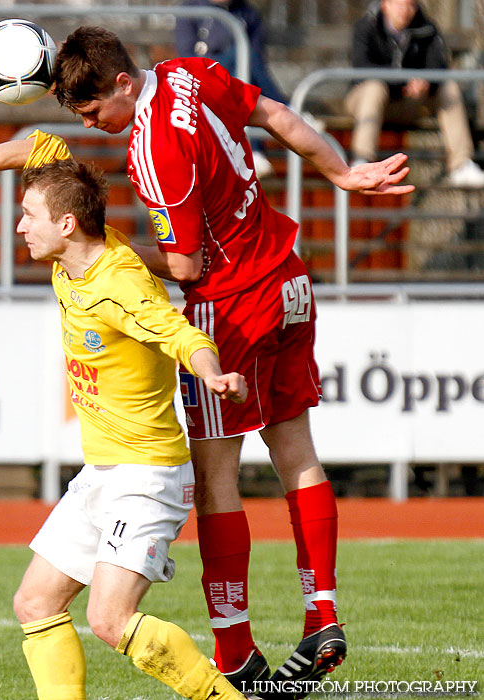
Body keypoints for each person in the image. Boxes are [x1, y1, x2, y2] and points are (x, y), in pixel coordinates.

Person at [50, 26, 415, 700]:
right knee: (297, 451)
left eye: (93, 109)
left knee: (216, 475)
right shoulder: (188, 71)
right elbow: (276, 116)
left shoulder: (155, 146)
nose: (91, 124)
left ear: (124, 84)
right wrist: (342, 172)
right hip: (290, 280)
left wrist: (115, 257)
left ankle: (234, 651)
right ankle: (321, 617)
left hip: (232, 304)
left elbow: (186, 264)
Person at [14, 144, 254, 699]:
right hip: (103, 473)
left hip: (146, 479)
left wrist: (212, 374)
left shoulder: (120, 280)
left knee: (109, 621)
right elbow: (42, 147)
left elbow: (181, 334)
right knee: (35, 602)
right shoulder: (71, 257)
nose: (20, 224)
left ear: (67, 224)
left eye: (29, 214)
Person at [345, 0, 484, 188]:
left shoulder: (427, 27)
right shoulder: (366, 26)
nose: (405, 10)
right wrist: (405, 80)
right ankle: (362, 160)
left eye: (410, 5)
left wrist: (425, 83)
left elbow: (439, 66)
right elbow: (362, 67)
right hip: (366, 102)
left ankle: (462, 164)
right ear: (385, 5)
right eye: (399, 4)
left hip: (411, 102)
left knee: (448, 88)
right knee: (374, 87)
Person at [175, 0, 287, 178]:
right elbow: (187, 56)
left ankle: (254, 150)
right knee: (241, 54)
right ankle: (287, 110)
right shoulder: (190, 9)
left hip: (240, 78)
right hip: (201, 75)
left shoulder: (248, 13)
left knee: (243, 64)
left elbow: (258, 61)